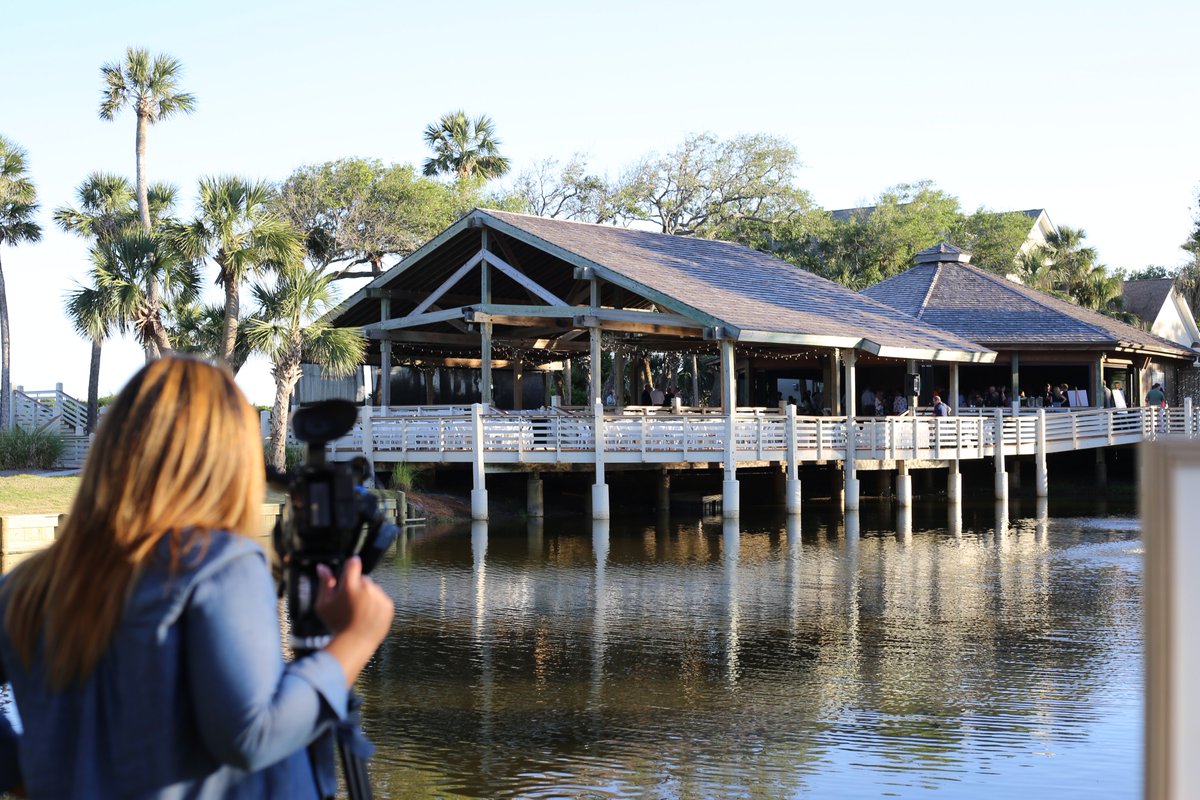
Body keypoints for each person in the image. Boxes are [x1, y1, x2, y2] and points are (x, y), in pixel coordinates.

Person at [0, 355, 394, 798]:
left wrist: (23, 768)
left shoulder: (25, 586)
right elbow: (254, 736)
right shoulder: (220, 565)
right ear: (230, 461)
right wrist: (358, 637)